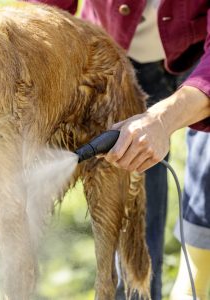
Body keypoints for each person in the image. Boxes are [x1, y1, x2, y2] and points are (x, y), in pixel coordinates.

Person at [24, 0, 210, 299]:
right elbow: (44, 10)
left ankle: (193, 284)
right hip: (113, 52)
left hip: (201, 54)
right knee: (129, 208)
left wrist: (161, 120)